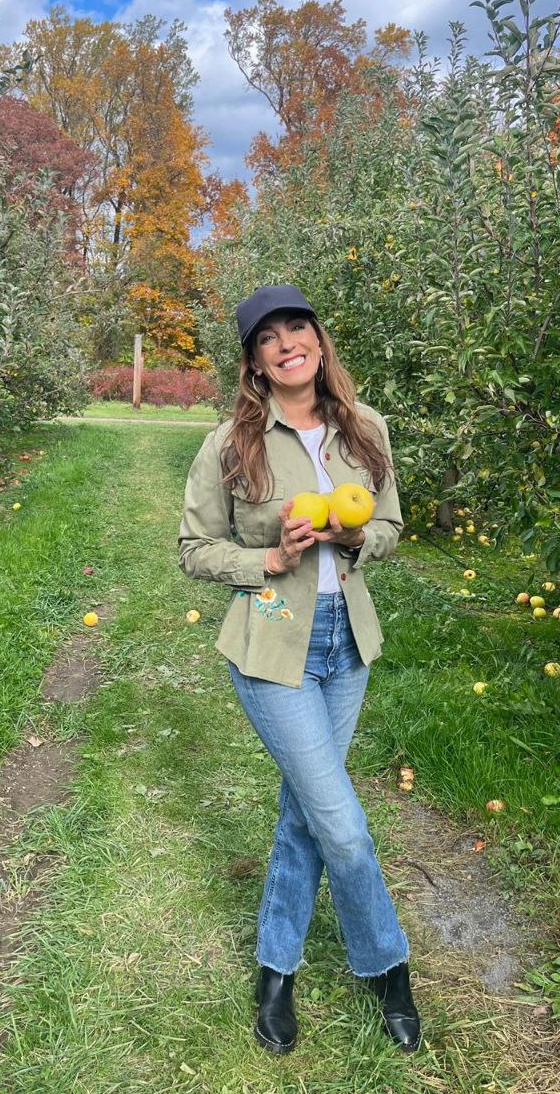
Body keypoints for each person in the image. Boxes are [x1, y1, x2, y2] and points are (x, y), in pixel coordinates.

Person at [178, 283, 420, 1057]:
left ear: (318, 341)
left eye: (298, 329)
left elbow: (388, 524)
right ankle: (388, 967)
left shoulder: (365, 429)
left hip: (346, 647)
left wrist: (352, 540)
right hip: (272, 646)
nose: (287, 344)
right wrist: (271, 557)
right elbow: (193, 549)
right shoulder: (230, 443)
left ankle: (274, 970)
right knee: (342, 825)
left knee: (303, 815)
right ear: (253, 360)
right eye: (268, 337)